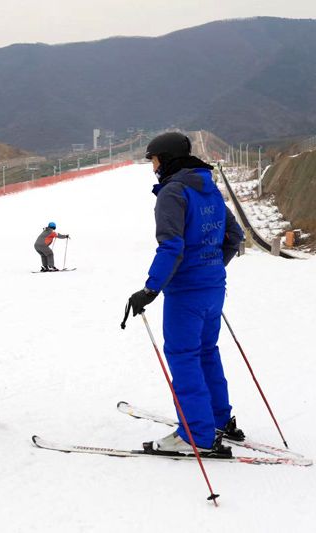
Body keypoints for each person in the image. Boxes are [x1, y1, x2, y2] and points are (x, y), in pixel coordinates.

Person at [127, 132, 244, 457]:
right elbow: (234, 236)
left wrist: (151, 289)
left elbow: (172, 246)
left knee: (184, 357)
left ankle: (196, 435)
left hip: (187, 293)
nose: (152, 167)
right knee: (207, 351)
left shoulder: (172, 193)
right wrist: (211, 268)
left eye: (153, 159)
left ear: (165, 158)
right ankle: (219, 420)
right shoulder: (208, 187)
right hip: (212, 288)